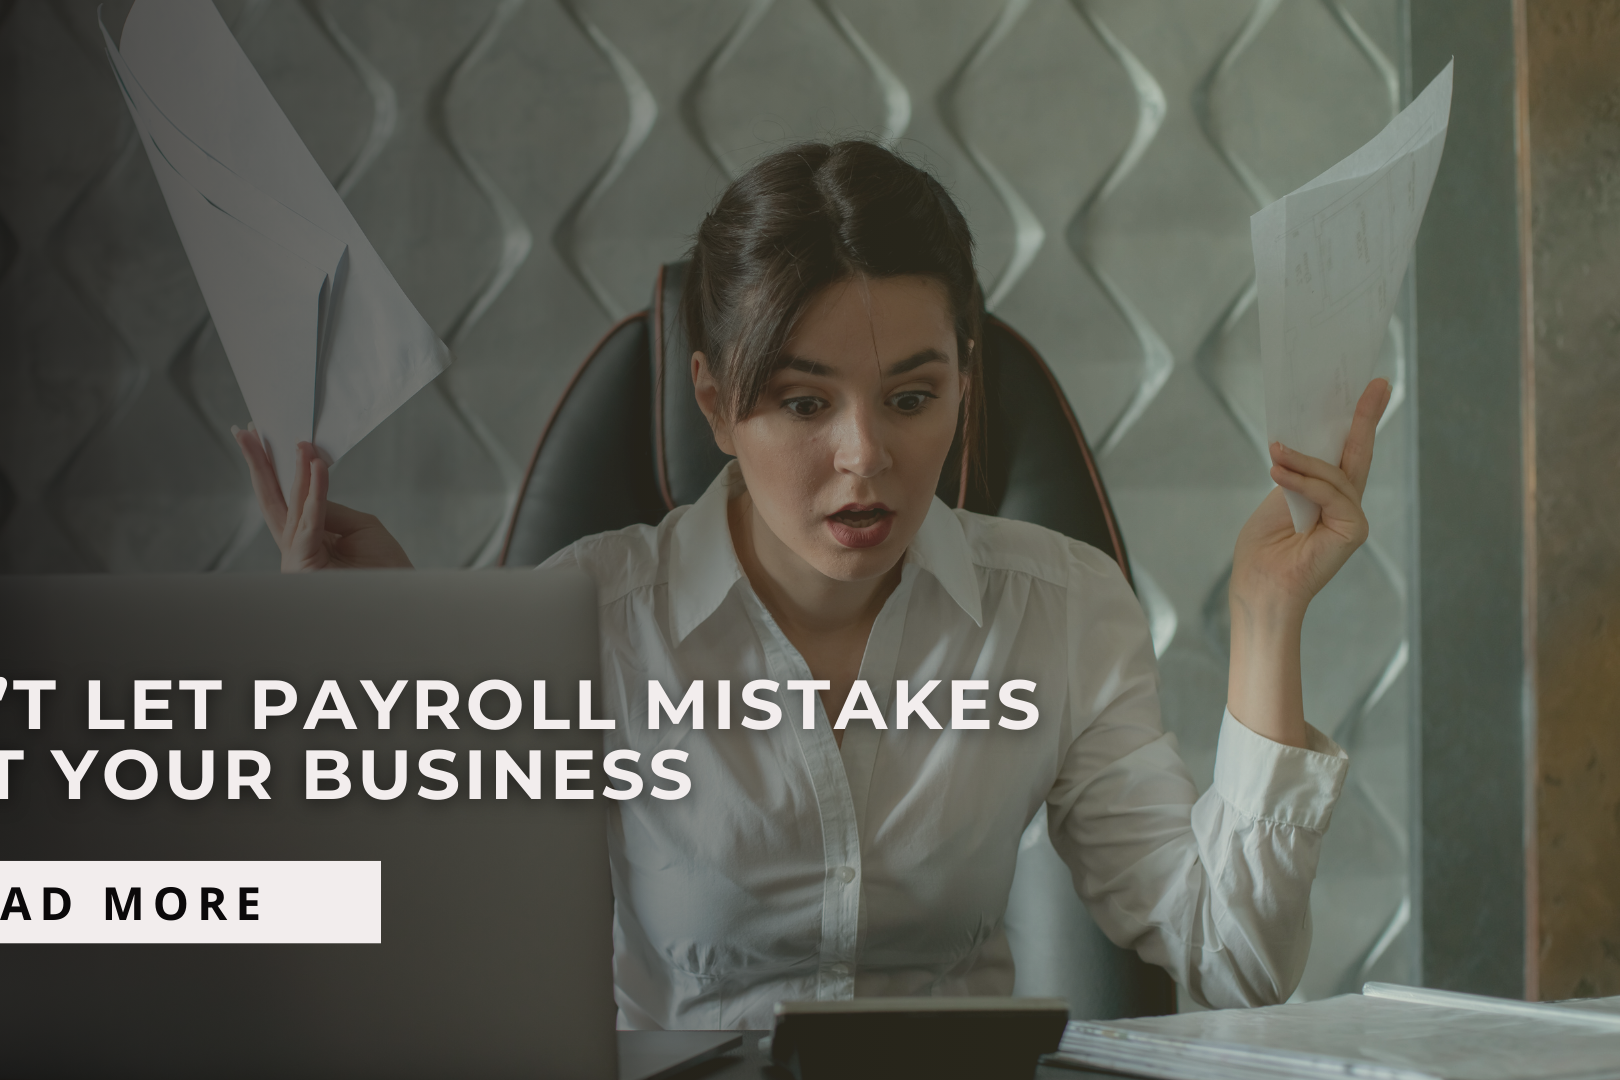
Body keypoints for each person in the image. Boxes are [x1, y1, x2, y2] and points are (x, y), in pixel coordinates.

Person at [232, 140, 1387, 1030]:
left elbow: (1232, 959)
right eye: (802, 403)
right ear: (712, 402)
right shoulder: (589, 620)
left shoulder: (1061, 610)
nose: (864, 457)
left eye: (912, 396)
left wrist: (1265, 615)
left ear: (966, 386)